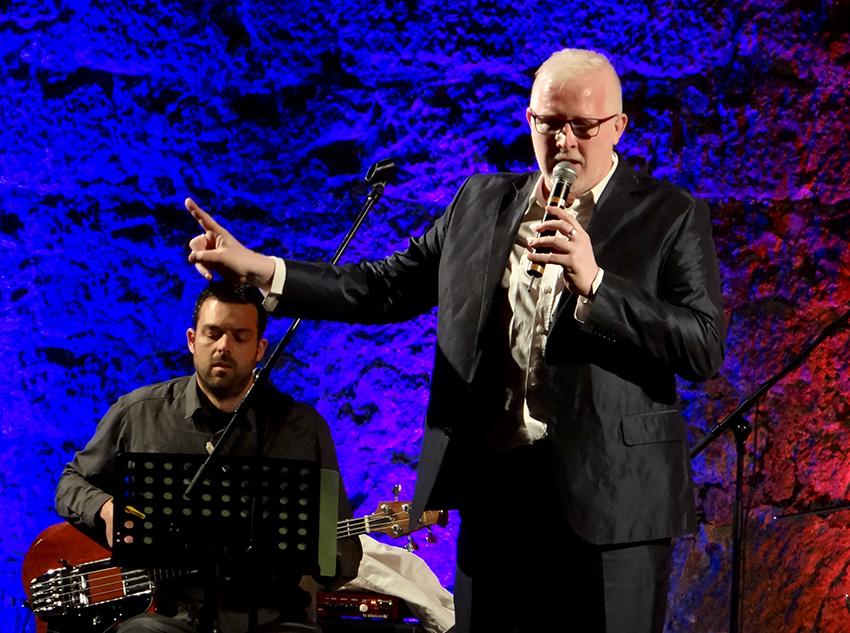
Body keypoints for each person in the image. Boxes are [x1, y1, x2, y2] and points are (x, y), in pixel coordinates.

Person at [183, 48, 725, 633]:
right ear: (529, 120)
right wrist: (259, 268)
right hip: (499, 495)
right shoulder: (481, 203)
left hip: (614, 502)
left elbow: (701, 345)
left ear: (618, 127)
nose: (565, 142)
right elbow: (382, 288)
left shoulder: (668, 215)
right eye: (550, 123)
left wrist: (596, 283)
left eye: (583, 127)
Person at [55, 282, 362, 632]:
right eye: (212, 334)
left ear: (260, 349)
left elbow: (345, 548)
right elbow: (70, 484)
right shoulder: (138, 412)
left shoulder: (303, 429)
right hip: (168, 615)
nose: (223, 347)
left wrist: (321, 555)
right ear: (192, 340)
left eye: (240, 337)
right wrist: (106, 509)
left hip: (272, 618)